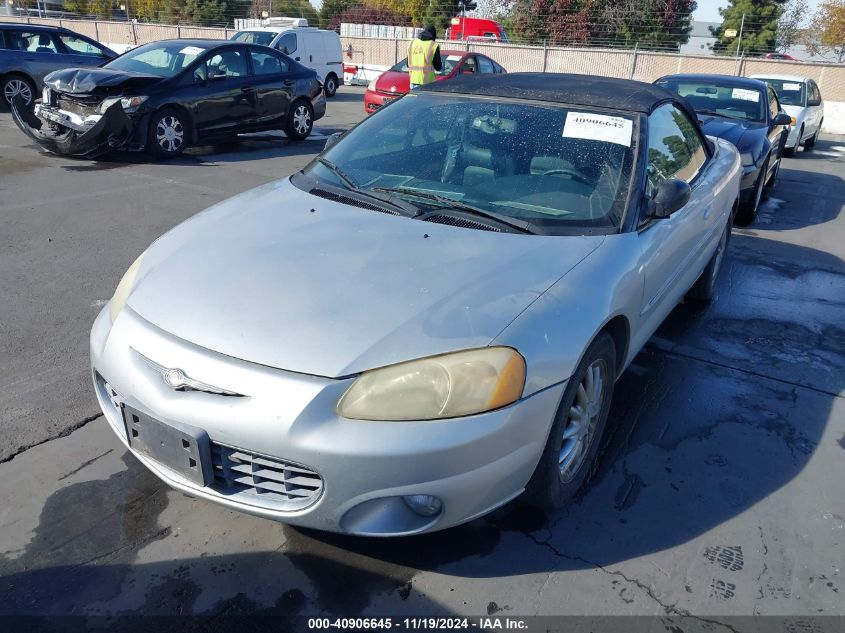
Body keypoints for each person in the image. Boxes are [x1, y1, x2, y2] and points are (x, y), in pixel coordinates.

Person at [407, 25, 442, 89]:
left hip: (413, 81)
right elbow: (438, 67)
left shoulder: (412, 43)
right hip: (428, 82)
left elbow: (408, 64)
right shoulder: (433, 45)